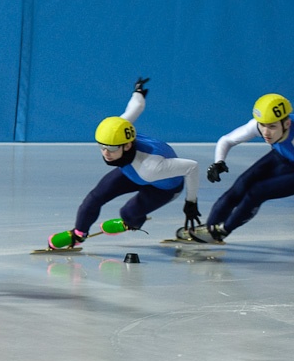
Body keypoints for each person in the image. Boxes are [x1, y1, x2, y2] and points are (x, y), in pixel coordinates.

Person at [48, 78, 201, 249]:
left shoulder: (150, 167)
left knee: (128, 213)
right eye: (102, 147)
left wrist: (191, 202)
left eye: (111, 149)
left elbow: (192, 166)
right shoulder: (120, 129)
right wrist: (138, 92)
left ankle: (131, 223)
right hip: (133, 170)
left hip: (163, 187)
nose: (106, 153)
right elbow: (136, 107)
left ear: (127, 145)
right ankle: (78, 235)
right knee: (94, 197)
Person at [187, 93, 294, 243]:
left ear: (287, 123)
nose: (266, 132)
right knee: (240, 185)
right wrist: (219, 162)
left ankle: (221, 232)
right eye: (263, 125)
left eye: (272, 127)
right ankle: (209, 227)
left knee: (257, 192)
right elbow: (227, 140)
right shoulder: (260, 125)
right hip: (284, 155)